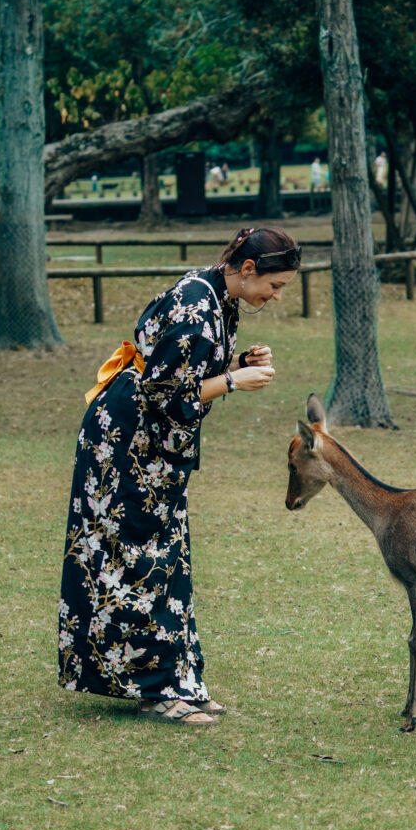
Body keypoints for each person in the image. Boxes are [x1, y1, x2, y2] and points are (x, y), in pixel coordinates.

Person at [58, 227, 302, 726]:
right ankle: (155, 690)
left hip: (152, 446)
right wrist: (233, 381)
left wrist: (235, 363)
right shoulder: (197, 306)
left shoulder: (217, 294)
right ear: (249, 268)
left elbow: (183, 371)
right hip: (127, 446)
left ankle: (179, 680)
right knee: (137, 562)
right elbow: (164, 395)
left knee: (168, 559)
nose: (275, 298)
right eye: (274, 286)